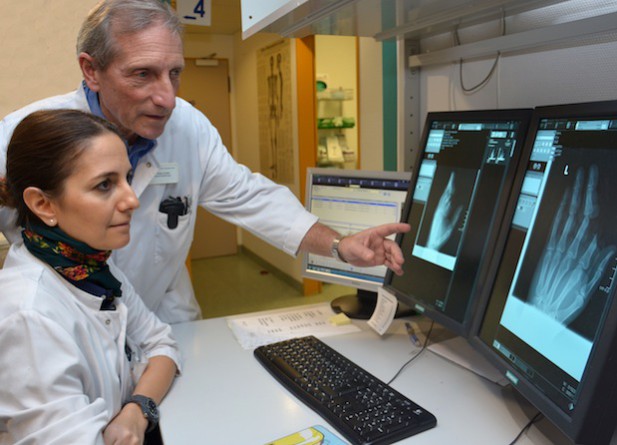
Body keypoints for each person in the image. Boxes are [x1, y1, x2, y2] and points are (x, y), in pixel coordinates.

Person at [0, 0, 410, 324]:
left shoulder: (187, 127)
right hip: (68, 328)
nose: (166, 97)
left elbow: (250, 197)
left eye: (174, 73)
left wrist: (339, 245)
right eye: (142, 74)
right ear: (92, 70)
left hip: (163, 319)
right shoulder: (26, 134)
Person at [0, 109, 180, 444]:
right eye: (104, 185)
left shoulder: (92, 268)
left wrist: (136, 410)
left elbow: (162, 345)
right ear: (43, 204)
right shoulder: (30, 316)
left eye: (127, 178)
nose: (132, 200)